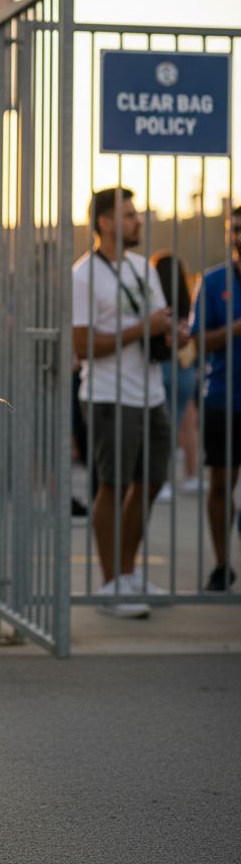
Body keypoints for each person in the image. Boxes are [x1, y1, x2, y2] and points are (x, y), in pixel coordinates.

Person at [72, 188, 181, 617]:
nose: (138, 221)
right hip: (108, 395)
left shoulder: (142, 268)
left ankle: (129, 571)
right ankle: (110, 583)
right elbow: (83, 345)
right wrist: (142, 328)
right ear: (105, 222)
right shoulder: (84, 275)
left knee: (151, 482)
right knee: (113, 486)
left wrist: (172, 333)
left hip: (151, 392)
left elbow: (155, 322)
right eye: (130, 214)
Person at [188, 206, 241, 592]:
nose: (238, 235)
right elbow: (198, 340)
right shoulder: (214, 280)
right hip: (224, 399)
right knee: (221, 484)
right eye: (234, 229)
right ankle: (223, 564)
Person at [149, 249, 199, 499]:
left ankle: (162, 481)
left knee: (159, 429)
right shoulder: (186, 298)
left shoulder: (155, 300)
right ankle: (190, 476)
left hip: (162, 365)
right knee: (183, 423)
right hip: (185, 368)